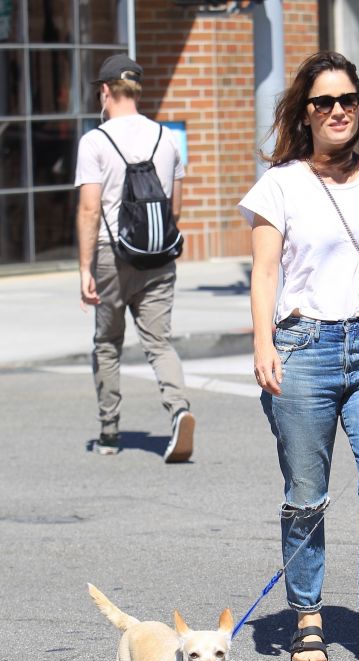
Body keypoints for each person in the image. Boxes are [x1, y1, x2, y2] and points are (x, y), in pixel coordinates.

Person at [239, 51, 359, 661]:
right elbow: (265, 271)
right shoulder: (281, 184)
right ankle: (307, 616)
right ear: (307, 112)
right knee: (306, 496)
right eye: (324, 102)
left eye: (347, 99)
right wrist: (263, 341)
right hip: (302, 350)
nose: (338, 111)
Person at [75, 54, 195, 462]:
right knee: (158, 342)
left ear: (105, 91)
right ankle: (179, 409)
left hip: (112, 255)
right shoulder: (167, 138)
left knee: (107, 343)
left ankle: (109, 432)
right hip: (158, 255)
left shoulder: (95, 141)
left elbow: (90, 210)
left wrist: (84, 269)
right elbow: (174, 209)